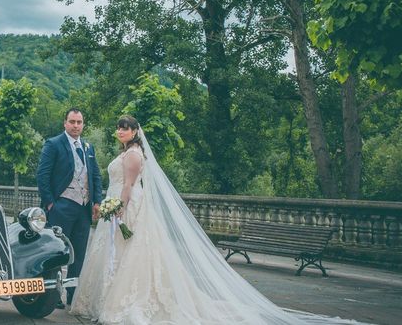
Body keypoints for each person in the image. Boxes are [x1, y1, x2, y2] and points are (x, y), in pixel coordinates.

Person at [71, 115, 365, 325]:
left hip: (128, 206)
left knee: (130, 254)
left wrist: (119, 207)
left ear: (136, 132)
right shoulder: (125, 152)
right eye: (119, 128)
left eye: (126, 128)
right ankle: (103, 297)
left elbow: (128, 186)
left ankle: (127, 301)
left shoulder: (134, 155)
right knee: (114, 254)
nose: (121, 131)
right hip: (116, 206)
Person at [36, 108, 104, 308]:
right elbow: (43, 175)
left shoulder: (88, 147)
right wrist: (50, 204)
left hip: (83, 210)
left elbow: (96, 176)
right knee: (57, 252)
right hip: (61, 207)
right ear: (64, 123)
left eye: (79, 122)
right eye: (72, 121)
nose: (76, 125)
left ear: (83, 124)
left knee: (78, 255)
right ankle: (53, 296)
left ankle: (72, 296)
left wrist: (97, 201)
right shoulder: (54, 144)